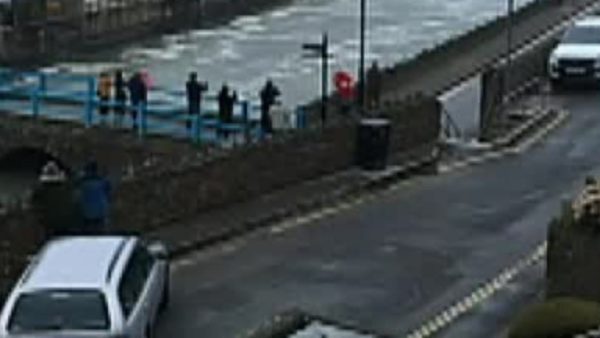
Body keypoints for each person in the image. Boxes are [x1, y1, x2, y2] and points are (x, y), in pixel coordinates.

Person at [30, 161, 80, 238]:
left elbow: (34, 205)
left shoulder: (41, 190)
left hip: (48, 224)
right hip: (66, 222)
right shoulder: (66, 189)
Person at [77, 161, 111, 234]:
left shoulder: (82, 182)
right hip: (99, 212)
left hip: (87, 212)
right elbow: (108, 193)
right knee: (100, 232)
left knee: (88, 232)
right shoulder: (103, 181)